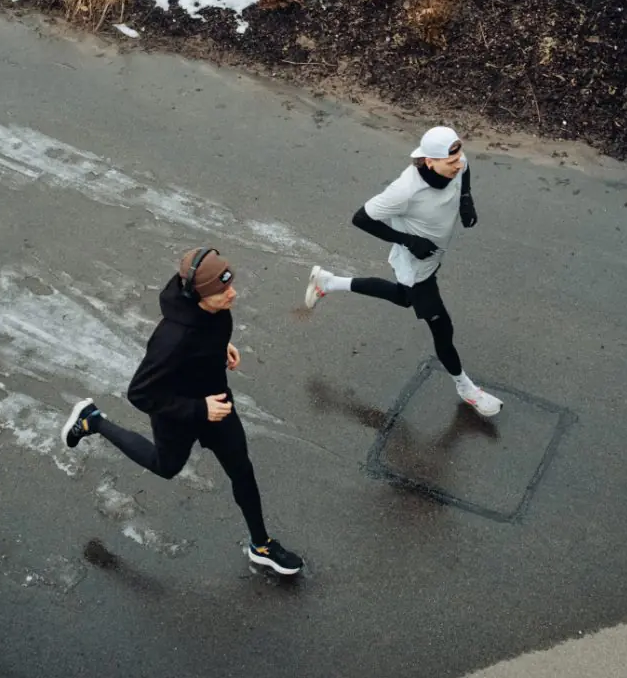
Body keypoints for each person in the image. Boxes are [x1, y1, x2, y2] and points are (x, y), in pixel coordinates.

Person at [61, 246, 303, 576]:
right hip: (178, 413)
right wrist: (197, 409)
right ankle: (93, 421)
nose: (233, 294)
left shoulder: (216, 309)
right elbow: (140, 393)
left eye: (230, 285)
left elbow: (210, 335)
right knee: (167, 466)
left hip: (216, 401)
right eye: (223, 290)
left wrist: (221, 349)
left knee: (241, 469)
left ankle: (261, 545)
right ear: (198, 296)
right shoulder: (171, 338)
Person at [304, 126, 502, 417]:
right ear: (429, 161)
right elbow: (361, 218)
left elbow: (466, 168)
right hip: (416, 264)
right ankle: (466, 388)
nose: (458, 165)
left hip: (433, 256)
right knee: (442, 327)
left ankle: (328, 282)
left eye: (459, 158)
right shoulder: (405, 190)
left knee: (404, 298)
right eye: (451, 163)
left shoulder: (455, 160)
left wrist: (466, 199)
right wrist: (409, 241)